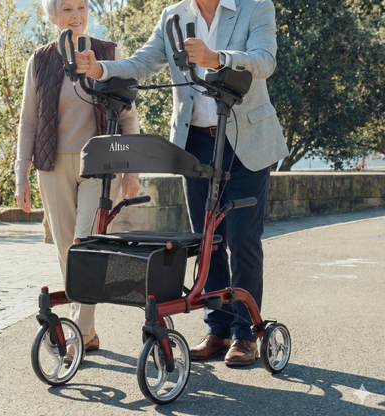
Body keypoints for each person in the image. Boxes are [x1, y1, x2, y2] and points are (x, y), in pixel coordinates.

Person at [76, 0, 289, 366]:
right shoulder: (173, 15)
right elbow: (142, 62)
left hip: (247, 141)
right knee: (207, 240)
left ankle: (244, 333)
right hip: (195, 144)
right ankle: (218, 330)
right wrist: (101, 68)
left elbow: (264, 60)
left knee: (242, 238)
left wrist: (218, 58)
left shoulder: (256, 7)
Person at [15, 0, 140, 362]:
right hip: (52, 164)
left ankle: (79, 332)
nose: (76, 14)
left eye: (82, 6)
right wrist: (21, 172)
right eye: (66, 7)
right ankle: (88, 329)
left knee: (87, 243)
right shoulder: (40, 60)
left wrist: (131, 168)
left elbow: (128, 114)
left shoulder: (108, 53)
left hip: (100, 163)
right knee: (67, 251)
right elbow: (28, 121)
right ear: (52, 16)